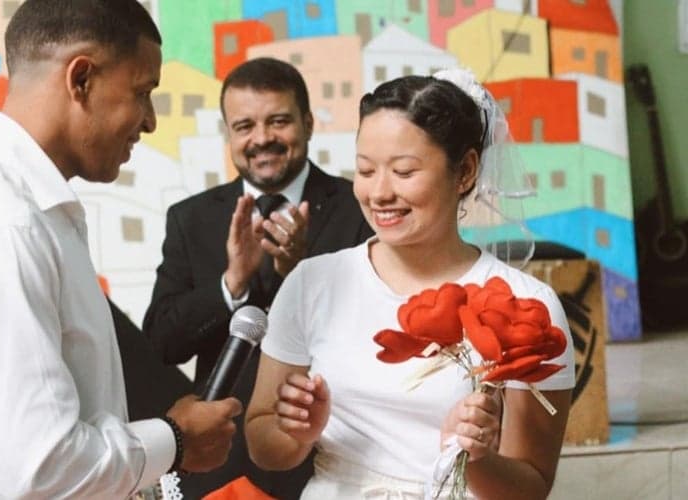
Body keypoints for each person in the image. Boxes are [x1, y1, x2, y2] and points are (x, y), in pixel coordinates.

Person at [0, 2, 240, 498]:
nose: (150, 121)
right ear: (81, 79)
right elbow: (38, 468)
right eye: (142, 93)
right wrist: (175, 439)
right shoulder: (3, 223)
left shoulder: (27, 207)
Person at [244, 72, 575, 499]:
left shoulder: (527, 305)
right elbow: (261, 442)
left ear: (466, 171)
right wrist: (297, 433)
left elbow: (530, 487)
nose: (379, 192)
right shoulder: (312, 284)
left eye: (403, 171)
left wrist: (475, 459)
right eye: (365, 169)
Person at [143, 57, 372, 498]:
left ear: (307, 123)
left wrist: (300, 276)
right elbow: (162, 344)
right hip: (220, 461)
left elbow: (373, 334)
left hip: (329, 453)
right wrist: (231, 285)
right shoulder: (190, 219)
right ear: (229, 134)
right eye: (244, 125)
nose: (262, 138)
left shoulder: (358, 208)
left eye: (279, 121)